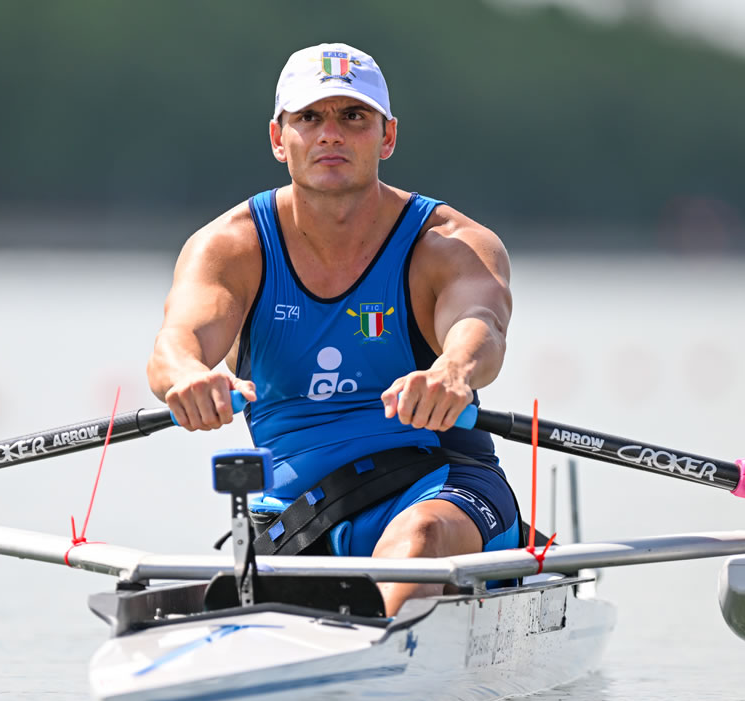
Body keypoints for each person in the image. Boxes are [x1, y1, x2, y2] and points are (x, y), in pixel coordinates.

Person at [147, 42, 518, 616]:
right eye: (309, 117)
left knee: (419, 538)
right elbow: (176, 344)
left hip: (440, 488)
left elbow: (481, 328)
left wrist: (452, 371)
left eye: (353, 116)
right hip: (299, 515)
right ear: (279, 138)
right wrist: (189, 377)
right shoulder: (231, 247)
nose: (330, 135)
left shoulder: (450, 245)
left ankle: (378, 642)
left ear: (387, 136)